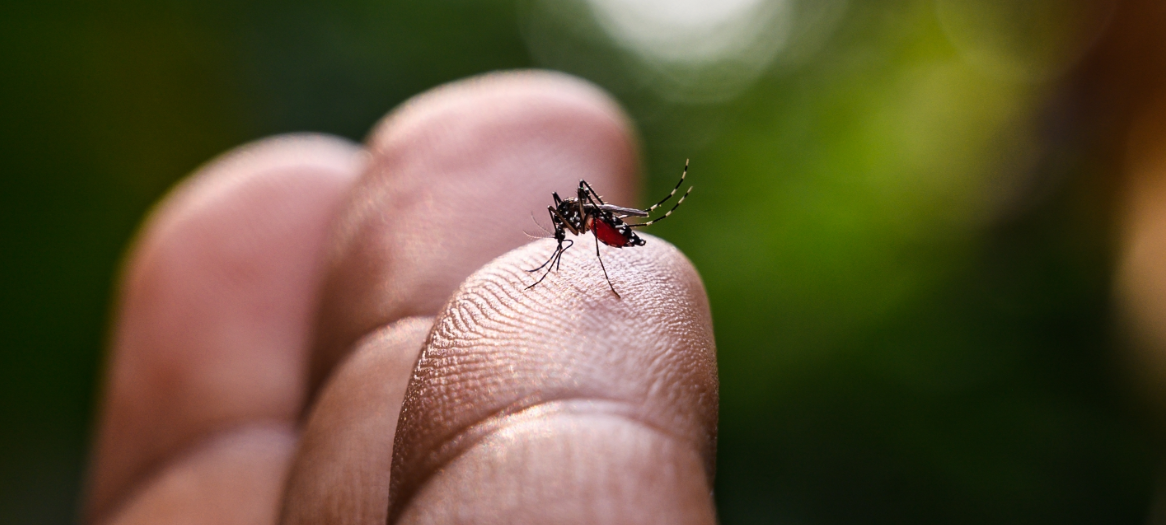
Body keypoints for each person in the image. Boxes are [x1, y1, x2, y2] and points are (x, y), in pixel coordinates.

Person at [82, 71, 719, 524]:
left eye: (568, 223)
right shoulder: (569, 222)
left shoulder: (584, 220)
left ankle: (649, 216)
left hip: (617, 233)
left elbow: (579, 224)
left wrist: (603, 236)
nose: (562, 222)